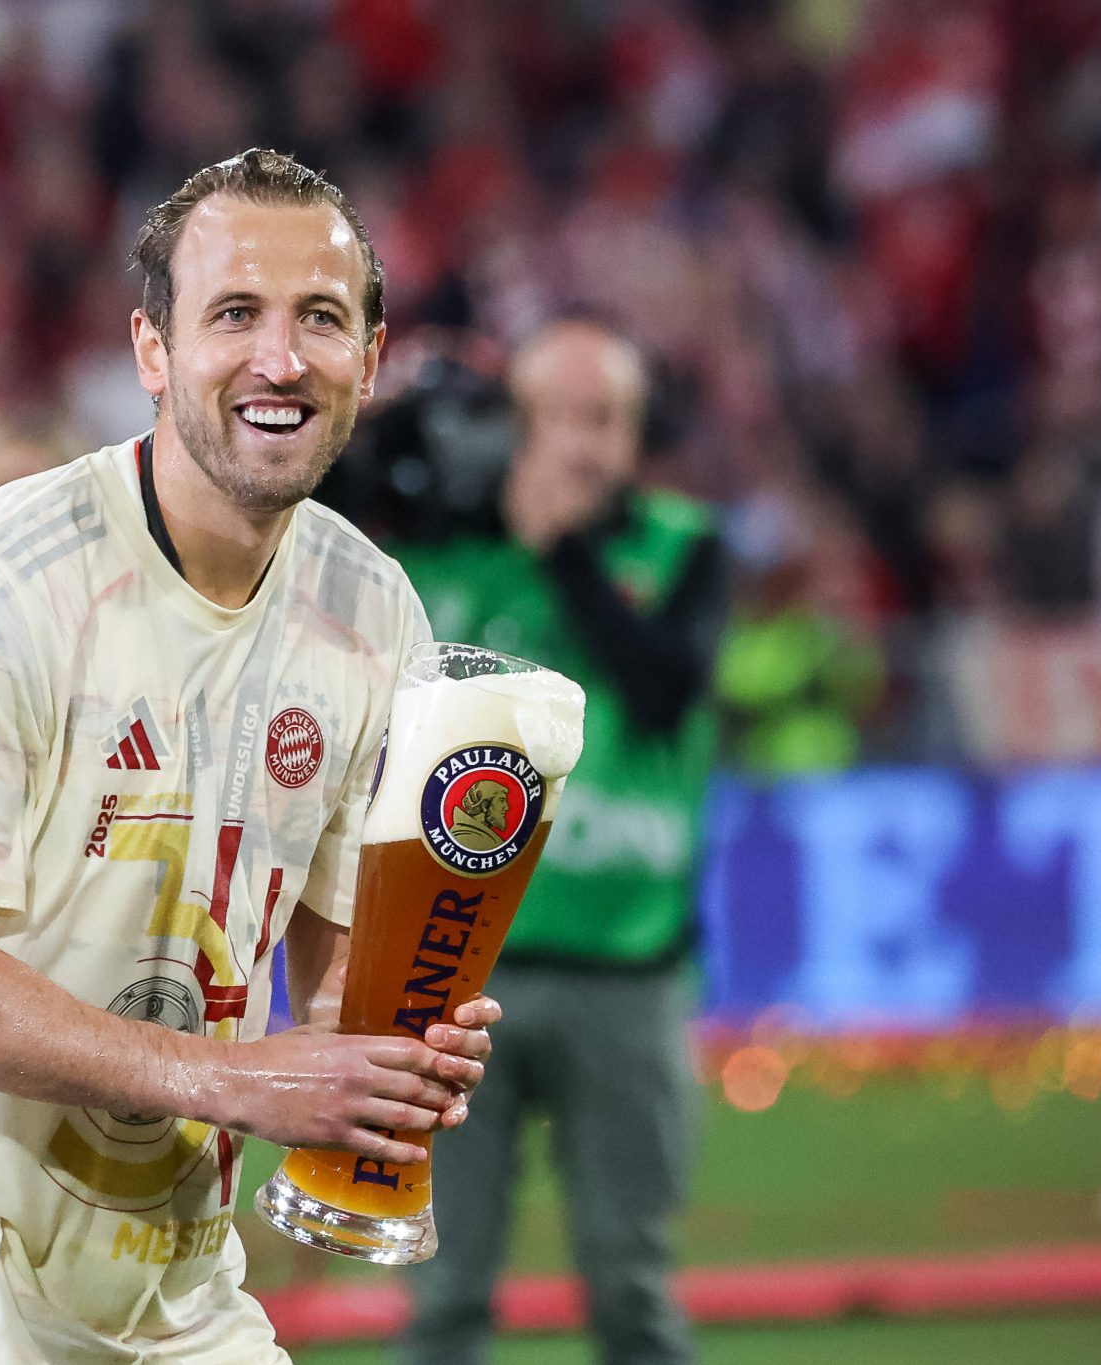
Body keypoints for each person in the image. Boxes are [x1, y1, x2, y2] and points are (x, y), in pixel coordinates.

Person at [0, 149, 499, 1365]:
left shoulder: (373, 610)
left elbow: (333, 949)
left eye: (319, 318)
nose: (278, 357)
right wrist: (233, 1078)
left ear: (368, 360)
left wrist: (395, 1040)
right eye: (234, 314)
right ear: (152, 351)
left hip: (169, 1298)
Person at [397, 319, 728, 1365]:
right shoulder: (433, 543)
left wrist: (562, 548)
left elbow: (663, 689)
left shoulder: (682, 546)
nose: (580, 444)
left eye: (606, 419)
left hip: (625, 971)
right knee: (444, 1295)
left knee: (629, 1288)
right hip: (451, 971)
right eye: (552, 417)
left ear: (639, 435)